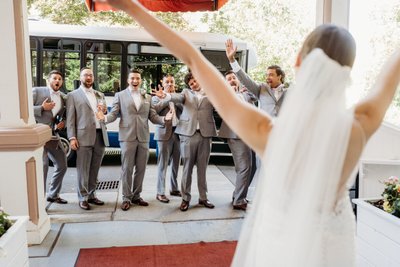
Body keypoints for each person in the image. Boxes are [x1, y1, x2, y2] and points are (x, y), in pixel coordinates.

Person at [104, 1, 400, 266]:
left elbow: (193, 58)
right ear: (348, 72)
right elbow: (393, 67)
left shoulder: (268, 132)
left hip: (277, 247)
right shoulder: (361, 124)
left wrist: (130, 6)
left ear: (298, 61)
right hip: (334, 248)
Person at [97, 69, 167, 211]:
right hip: (127, 137)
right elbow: (113, 114)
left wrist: (165, 119)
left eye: (137, 78)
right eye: (132, 78)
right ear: (128, 80)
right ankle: (126, 197)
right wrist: (103, 118)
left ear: (140, 80)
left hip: (143, 137)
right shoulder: (120, 95)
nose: (135, 81)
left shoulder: (146, 97)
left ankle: (136, 196)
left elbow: (153, 117)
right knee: (127, 168)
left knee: (141, 168)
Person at [226, 40, 288, 186]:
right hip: (264, 137)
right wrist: (232, 60)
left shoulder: (290, 92)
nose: (267, 77)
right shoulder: (261, 89)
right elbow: (245, 79)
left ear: (280, 77)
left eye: (271, 75)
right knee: (263, 169)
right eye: (267, 74)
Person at [155, 72, 217, 212]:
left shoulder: (211, 92)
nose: (193, 84)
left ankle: (203, 197)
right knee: (187, 168)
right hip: (188, 134)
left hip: (205, 134)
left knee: (202, 168)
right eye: (191, 83)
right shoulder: (186, 93)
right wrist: (166, 95)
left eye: (195, 81)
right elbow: (177, 96)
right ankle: (185, 199)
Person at [66, 67, 109, 211]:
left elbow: (104, 112)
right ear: (80, 77)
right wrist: (72, 137)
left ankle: (92, 194)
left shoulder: (99, 94)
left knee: (95, 168)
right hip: (82, 136)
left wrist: (104, 111)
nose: (88, 78)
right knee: (83, 169)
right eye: (85, 75)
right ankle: (82, 197)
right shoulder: (73, 95)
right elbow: (70, 119)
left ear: (94, 78)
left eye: (91, 75)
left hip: (100, 135)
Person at [219, 70, 256, 211]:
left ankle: (239, 195)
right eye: (229, 79)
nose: (232, 80)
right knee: (244, 167)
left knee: (252, 167)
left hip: (250, 135)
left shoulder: (246, 94)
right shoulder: (224, 94)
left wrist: (245, 87)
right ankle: (239, 200)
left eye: (234, 78)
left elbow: (256, 95)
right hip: (235, 135)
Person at [32, 70, 68, 204]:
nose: (57, 81)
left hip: (53, 135)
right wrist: (41, 107)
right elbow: (25, 109)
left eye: (59, 79)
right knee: (43, 166)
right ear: (48, 80)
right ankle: (39, 202)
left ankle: (53, 194)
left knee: (62, 164)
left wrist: (61, 123)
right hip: (38, 135)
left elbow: (61, 115)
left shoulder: (63, 97)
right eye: (54, 78)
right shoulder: (37, 91)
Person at [152, 74, 183, 203]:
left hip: (178, 133)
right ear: (162, 83)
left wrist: (174, 97)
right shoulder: (155, 98)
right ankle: (160, 192)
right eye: (167, 82)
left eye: (172, 81)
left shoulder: (179, 97)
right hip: (164, 134)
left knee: (176, 163)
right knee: (163, 164)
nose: (170, 84)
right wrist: (165, 98)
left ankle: (174, 188)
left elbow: (186, 110)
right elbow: (154, 111)